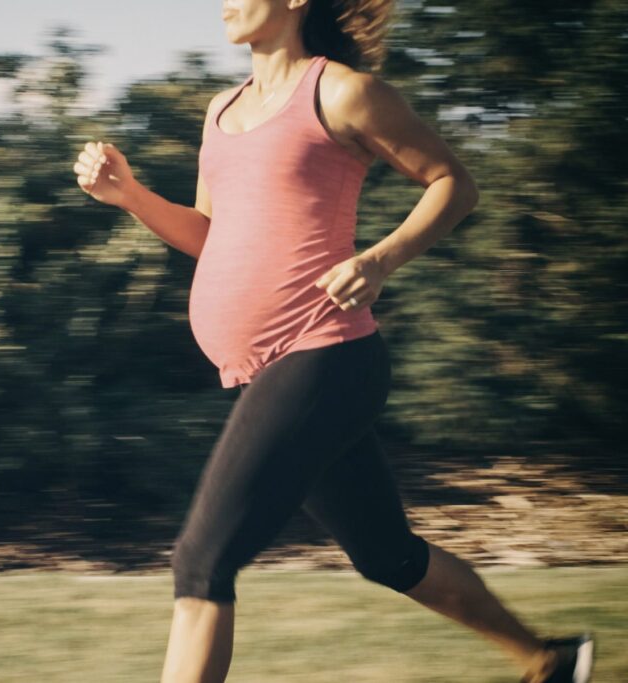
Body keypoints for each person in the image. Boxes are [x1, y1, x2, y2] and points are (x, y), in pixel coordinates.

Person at [72, 1, 596, 681]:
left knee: (201, 558)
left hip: (326, 353)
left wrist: (379, 259)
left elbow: (453, 184)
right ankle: (550, 660)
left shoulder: (343, 92)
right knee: (388, 555)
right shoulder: (221, 111)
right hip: (264, 371)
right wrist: (134, 196)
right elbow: (210, 235)